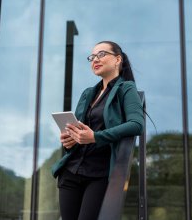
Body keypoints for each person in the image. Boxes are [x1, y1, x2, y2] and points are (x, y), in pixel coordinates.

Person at [51, 41, 144, 220]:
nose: (95, 60)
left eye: (101, 55)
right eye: (92, 57)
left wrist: (95, 137)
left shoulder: (126, 88)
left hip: (99, 173)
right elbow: (80, 129)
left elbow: (136, 124)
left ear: (118, 59)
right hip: (71, 171)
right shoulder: (88, 93)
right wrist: (70, 138)